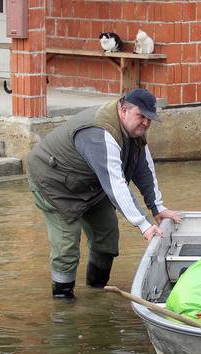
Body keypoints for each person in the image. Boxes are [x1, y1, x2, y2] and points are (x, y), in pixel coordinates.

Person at [27, 88, 181, 299]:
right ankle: (63, 303)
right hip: (54, 183)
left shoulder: (134, 131)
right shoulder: (100, 133)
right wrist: (143, 224)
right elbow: (115, 184)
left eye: (149, 119)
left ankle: (96, 293)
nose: (145, 123)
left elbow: (144, 168)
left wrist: (157, 207)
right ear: (123, 110)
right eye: (141, 116)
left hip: (90, 184)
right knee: (67, 245)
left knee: (107, 236)